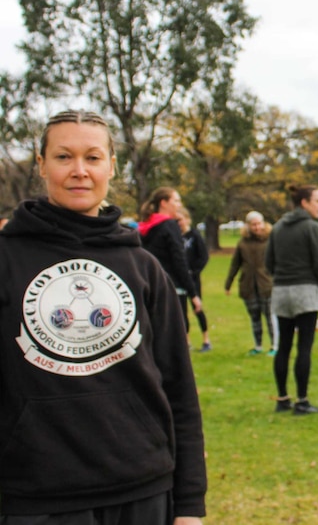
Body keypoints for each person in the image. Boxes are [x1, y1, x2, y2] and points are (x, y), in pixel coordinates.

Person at [0, 110, 206, 523]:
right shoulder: (6, 259)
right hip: (36, 498)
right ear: (41, 164)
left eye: (93, 157)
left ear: (112, 165)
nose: (79, 171)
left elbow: (179, 387)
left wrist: (189, 505)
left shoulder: (143, 267)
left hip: (143, 488)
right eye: (63, 157)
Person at [266, 185, 318, 415]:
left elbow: (268, 262)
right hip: (305, 291)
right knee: (304, 347)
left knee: (283, 346)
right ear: (304, 202)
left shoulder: (277, 227)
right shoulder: (312, 227)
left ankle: (282, 398)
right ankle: (302, 401)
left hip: (281, 292)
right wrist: (315, 282)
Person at [138, 187, 203, 345]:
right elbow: (179, 261)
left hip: (149, 286)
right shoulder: (169, 226)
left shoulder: (146, 227)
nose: (179, 205)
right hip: (171, 288)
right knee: (175, 337)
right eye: (176, 200)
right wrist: (193, 293)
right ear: (164, 203)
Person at [225, 211, 277, 356]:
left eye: (259, 223)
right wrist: (228, 283)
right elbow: (235, 264)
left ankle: (274, 346)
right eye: (253, 224)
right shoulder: (242, 243)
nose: (256, 227)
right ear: (248, 226)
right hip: (248, 285)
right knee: (255, 317)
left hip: (267, 285)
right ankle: (258, 346)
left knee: (270, 316)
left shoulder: (271, 240)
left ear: (263, 223)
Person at [176, 206, 211, 352]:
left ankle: (206, 340)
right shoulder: (175, 236)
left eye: (180, 220)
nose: (179, 223)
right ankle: (187, 341)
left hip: (193, 280)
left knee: (198, 309)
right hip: (179, 280)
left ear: (187, 219)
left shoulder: (195, 236)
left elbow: (203, 257)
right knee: (181, 312)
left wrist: (194, 271)